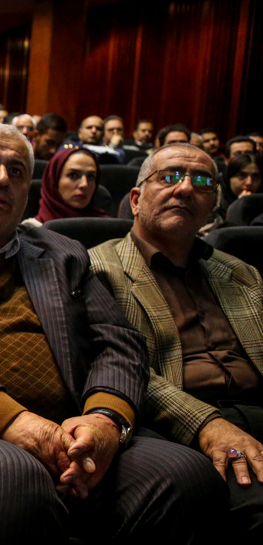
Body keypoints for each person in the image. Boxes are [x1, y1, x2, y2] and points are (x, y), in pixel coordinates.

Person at [0, 121, 227, 545]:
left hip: (73, 427)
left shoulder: (62, 252)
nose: (2, 179)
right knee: (15, 479)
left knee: (187, 476)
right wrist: (20, 425)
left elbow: (119, 343)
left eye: (16, 171)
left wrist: (105, 421)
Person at [89, 143, 263, 539]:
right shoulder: (97, 269)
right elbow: (119, 370)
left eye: (202, 181)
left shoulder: (241, 273)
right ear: (136, 199)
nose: (185, 188)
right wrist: (206, 424)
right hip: (177, 427)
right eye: (169, 177)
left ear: (213, 203)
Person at [23, 146, 108, 227]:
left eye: (91, 177)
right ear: (54, 181)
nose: (84, 184)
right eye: (73, 175)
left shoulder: (107, 226)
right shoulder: (32, 229)